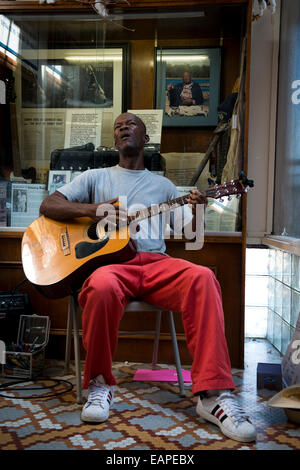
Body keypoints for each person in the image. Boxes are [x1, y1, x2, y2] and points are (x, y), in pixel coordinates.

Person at [39, 112, 256, 443]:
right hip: (112, 267)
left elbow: (191, 235)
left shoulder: (164, 186)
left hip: (156, 263)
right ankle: (100, 384)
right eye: (119, 126)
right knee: (99, 285)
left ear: (145, 139)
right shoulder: (94, 177)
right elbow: (49, 204)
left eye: (132, 125)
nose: (124, 128)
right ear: (115, 140)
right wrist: (91, 210)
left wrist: (198, 207)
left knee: (202, 277)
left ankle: (213, 395)